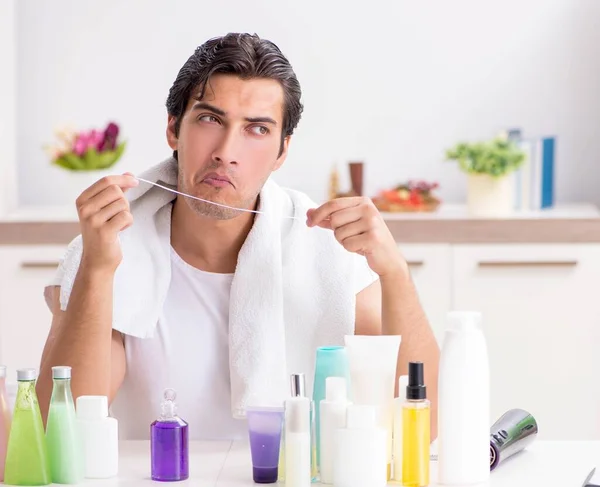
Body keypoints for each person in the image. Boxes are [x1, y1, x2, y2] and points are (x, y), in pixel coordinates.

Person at [38, 33, 440, 440]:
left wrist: (395, 273)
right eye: (211, 119)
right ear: (174, 130)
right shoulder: (115, 251)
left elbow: (425, 429)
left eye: (257, 129)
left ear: (282, 151)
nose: (226, 152)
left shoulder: (328, 254)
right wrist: (97, 268)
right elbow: (59, 431)